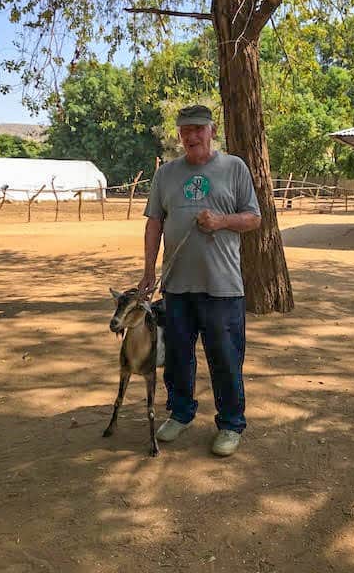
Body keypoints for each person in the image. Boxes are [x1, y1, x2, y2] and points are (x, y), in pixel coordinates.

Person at [138, 105, 261, 456]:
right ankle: (180, 413)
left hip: (222, 287)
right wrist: (149, 270)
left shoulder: (234, 168)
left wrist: (222, 221)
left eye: (197, 129)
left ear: (212, 130)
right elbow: (154, 224)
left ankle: (231, 424)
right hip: (176, 286)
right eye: (184, 130)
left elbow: (254, 218)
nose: (191, 136)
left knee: (225, 357)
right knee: (177, 356)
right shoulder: (167, 175)